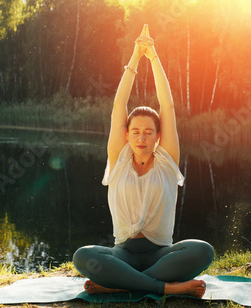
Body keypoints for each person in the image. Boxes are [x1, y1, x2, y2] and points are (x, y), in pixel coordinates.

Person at [73, 24, 214, 298]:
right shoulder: (119, 160)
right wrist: (135, 58)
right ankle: (166, 288)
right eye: (135, 132)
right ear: (126, 135)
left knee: (202, 250)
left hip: (162, 254)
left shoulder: (167, 161)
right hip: (122, 253)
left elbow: (168, 107)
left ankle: (118, 285)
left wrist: (154, 58)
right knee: (83, 256)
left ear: (158, 136)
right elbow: (118, 107)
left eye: (149, 132)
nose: (141, 138)